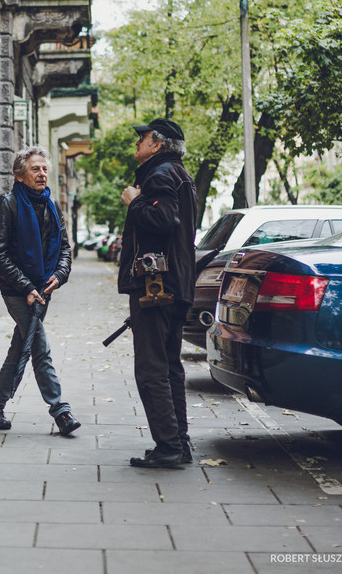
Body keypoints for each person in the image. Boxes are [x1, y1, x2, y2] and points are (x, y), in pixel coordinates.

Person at [0, 147, 80, 436]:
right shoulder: (7, 204)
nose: (42, 174)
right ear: (19, 174)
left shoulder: (51, 205)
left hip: (43, 288)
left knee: (21, 346)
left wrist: (60, 275)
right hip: (17, 290)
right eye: (35, 169)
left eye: (44, 169)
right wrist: (26, 286)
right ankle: (60, 411)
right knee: (40, 347)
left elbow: (64, 248)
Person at [118, 118, 197, 467]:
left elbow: (163, 219)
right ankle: (178, 443)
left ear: (158, 144)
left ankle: (169, 447)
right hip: (175, 285)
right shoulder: (179, 174)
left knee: (152, 369)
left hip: (157, 287)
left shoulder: (160, 175)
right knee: (169, 367)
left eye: (143, 138)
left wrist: (134, 202)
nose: (137, 143)